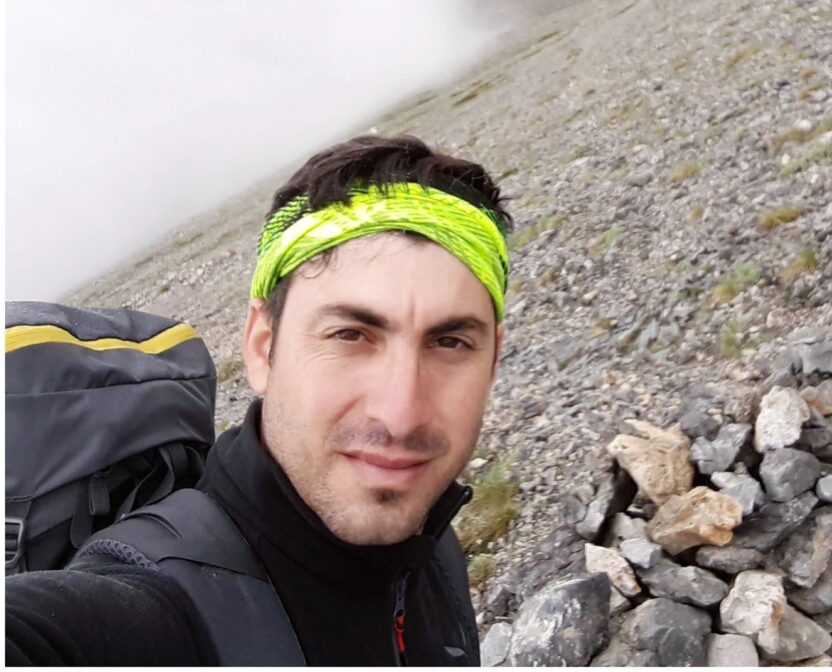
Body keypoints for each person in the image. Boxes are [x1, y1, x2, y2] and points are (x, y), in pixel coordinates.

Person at [6, 134, 515, 664]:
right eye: (349, 335)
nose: (400, 413)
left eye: (451, 342)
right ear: (262, 347)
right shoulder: (153, 610)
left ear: (493, 358)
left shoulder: (432, 544)